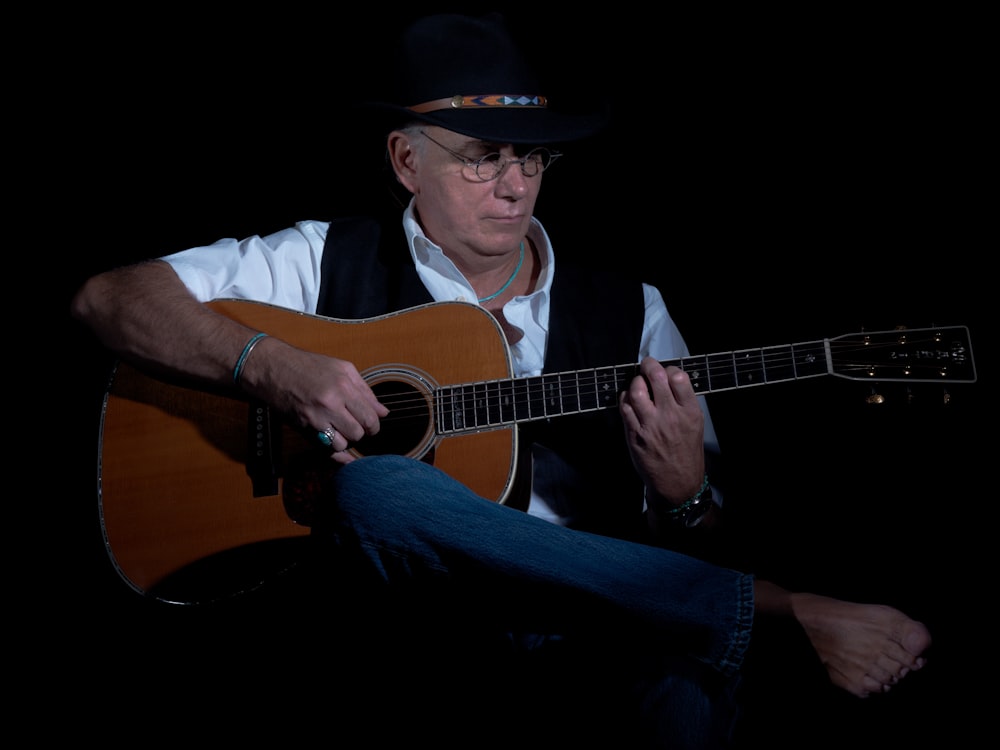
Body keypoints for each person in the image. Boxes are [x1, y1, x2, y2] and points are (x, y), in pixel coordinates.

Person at [71, 12, 932, 748]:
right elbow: (111, 297)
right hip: (394, 631)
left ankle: (726, 616)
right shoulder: (315, 261)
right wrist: (270, 365)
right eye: (482, 158)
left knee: (683, 686)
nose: (515, 185)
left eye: (534, 158)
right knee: (378, 492)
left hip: (590, 633)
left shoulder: (633, 312)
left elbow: (700, 529)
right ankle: (776, 613)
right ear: (407, 160)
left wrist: (684, 491)